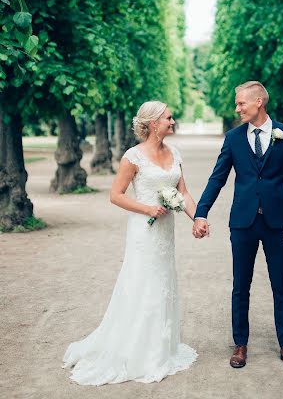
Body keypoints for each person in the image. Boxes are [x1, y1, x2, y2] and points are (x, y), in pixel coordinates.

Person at [63, 101, 197, 385]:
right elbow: (116, 194)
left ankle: (161, 346)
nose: (173, 122)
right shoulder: (133, 156)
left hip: (166, 232)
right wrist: (148, 209)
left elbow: (182, 192)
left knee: (163, 282)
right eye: (169, 118)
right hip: (144, 230)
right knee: (141, 283)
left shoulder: (175, 153)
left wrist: (197, 219)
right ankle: (137, 350)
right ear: (152, 124)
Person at [193, 81, 283, 370]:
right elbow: (217, 178)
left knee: (280, 285)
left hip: (278, 223)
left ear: (259, 102)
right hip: (242, 222)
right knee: (241, 286)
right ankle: (240, 344)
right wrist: (201, 212)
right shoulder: (233, 138)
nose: (237, 108)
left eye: (241, 103)